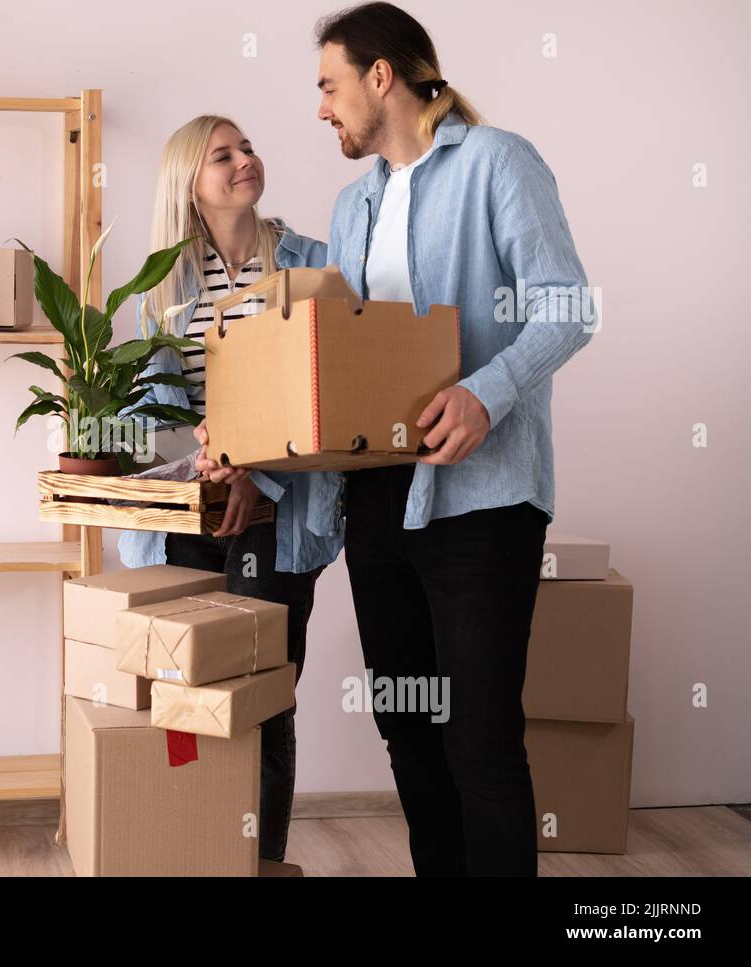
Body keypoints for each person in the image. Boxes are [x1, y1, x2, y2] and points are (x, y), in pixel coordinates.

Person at [198, 2, 596, 876]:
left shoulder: (498, 163)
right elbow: (334, 369)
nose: (320, 108)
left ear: (383, 77)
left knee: (480, 738)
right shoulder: (354, 207)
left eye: (328, 85)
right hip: (378, 504)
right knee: (408, 730)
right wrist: (246, 448)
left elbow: (568, 305)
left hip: (482, 501)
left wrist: (488, 394)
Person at [118, 115, 345, 867]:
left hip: (281, 519)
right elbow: (154, 411)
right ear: (190, 180)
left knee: (260, 703)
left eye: (247, 146)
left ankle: (261, 863)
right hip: (191, 517)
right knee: (184, 703)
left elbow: (331, 391)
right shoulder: (164, 280)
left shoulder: (310, 261)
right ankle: (193, 853)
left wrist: (260, 474)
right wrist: (215, 471)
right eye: (224, 155)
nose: (246, 160)